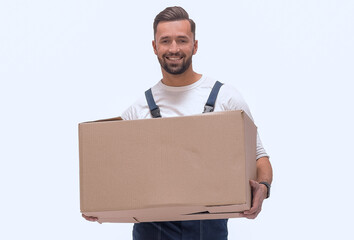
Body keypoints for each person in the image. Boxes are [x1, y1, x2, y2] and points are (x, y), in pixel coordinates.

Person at [83, 6, 273, 240]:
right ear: (155, 47)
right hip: (152, 230)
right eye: (165, 41)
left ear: (195, 45)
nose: (174, 49)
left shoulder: (226, 98)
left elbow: (259, 156)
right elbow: (111, 170)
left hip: (209, 227)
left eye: (182, 40)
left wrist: (263, 188)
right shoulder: (138, 110)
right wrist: (98, 202)